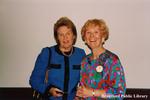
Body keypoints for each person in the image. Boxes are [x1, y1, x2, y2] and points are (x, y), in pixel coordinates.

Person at [29, 17, 86, 100]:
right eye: (61, 35)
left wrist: (79, 95)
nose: (65, 37)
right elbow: (34, 80)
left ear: (73, 36)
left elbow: (84, 80)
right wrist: (49, 90)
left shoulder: (80, 54)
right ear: (57, 37)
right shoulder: (47, 53)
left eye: (68, 34)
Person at [76, 19, 126, 100]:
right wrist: (79, 94)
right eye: (88, 33)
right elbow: (83, 90)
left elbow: (119, 94)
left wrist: (92, 92)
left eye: (96, 32)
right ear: (85, 38)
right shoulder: (84, 61)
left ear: (103, 36)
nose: (92, 36)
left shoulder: (112, 60)